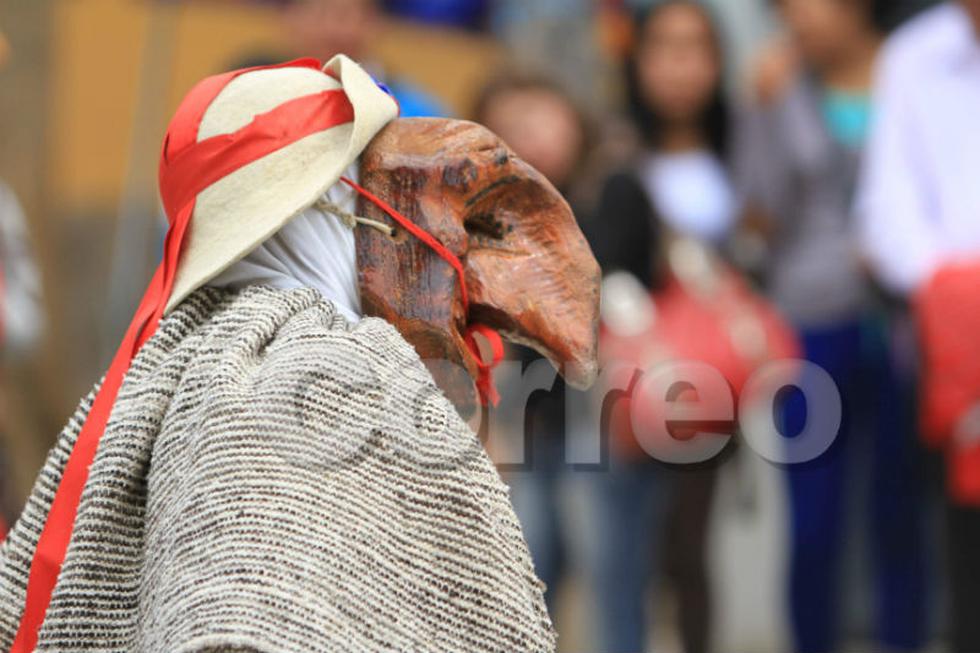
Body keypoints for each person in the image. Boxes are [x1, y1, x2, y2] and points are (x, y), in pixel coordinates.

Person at [0, 55, 604, 652]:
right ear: (327, 204)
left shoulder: (181, 354)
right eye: (372, 181)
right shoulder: (302, 372)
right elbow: (241, 622)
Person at [736, 1, 929, 651]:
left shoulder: (917, 69)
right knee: (813, 518)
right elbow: (758, 212)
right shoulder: (780, 85)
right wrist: (763, 109)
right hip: (811, 317)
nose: (799, 16)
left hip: (904, 319)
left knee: (900, 508)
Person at [581, 3, 736, 651]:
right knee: (631, 549)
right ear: (638, 60)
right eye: (665, 48)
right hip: (642, 377)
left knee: (692, 545)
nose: (680, 66)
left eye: (694, 49)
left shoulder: (739, 146)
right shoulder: (618, 157)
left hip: (720, 374)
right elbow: (604, 264)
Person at [856, 2, 980, 650]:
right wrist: (956, 293)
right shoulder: (912, 56)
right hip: (957, 342)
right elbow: (887, 209)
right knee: (966, 537)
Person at [473, 72, 593, 614]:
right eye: (507, 129)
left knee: (594, 563)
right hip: (519, 417)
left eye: (539, 120)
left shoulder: (599, 199)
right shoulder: (480, 218)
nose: (527, 139)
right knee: (530, 561)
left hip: (595, 417)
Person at [280, 0, 449, 117]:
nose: (332, 30)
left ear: (376, 23)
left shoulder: (418, 112)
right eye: (320, 13)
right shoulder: (269, 94)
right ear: (291, 17)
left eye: (344, 16)